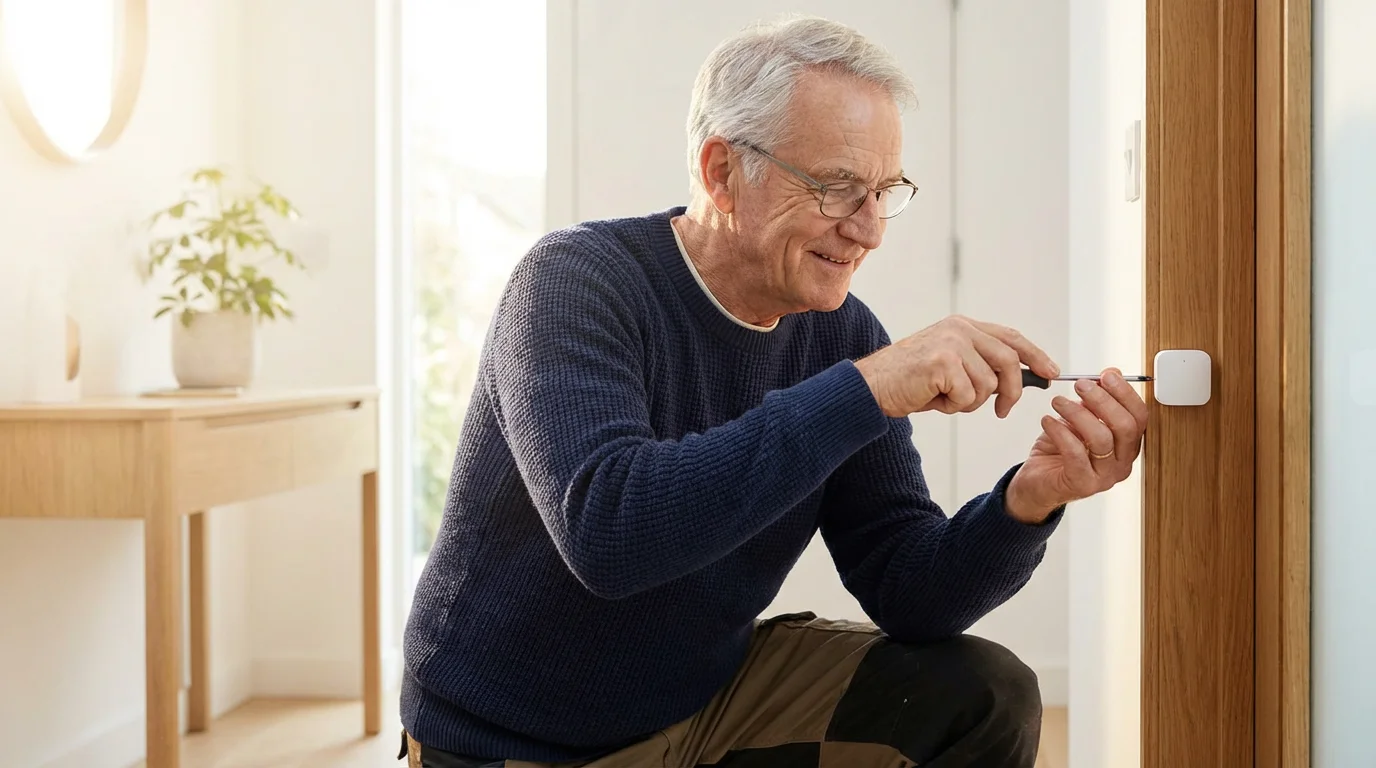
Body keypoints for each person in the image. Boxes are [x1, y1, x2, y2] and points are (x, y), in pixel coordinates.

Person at [399, 13, 1148, 768]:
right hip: (512, 741)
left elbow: (908, 590)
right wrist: (867, 389)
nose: (870, 229)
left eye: (884, 191)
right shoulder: (572, 281)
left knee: (982, 693)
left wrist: (1028, 499)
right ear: (722, 172)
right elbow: (610, 534)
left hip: (705, 701)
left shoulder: (843, 336)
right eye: (837, 187)